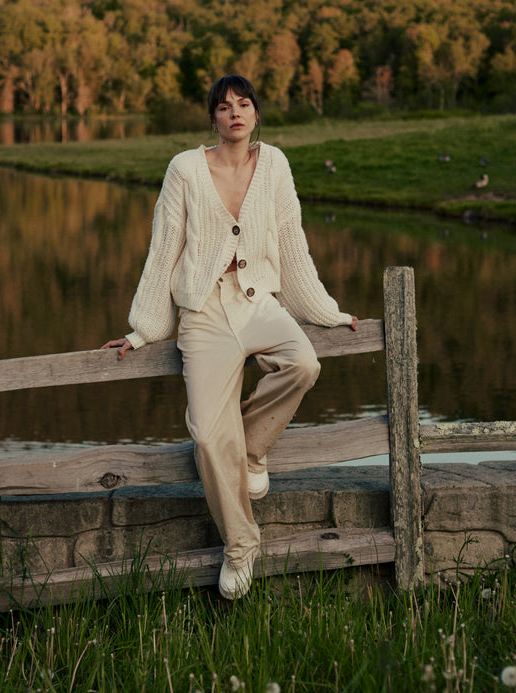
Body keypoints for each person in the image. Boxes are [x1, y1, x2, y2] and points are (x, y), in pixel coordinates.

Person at [102, 75, 358, 599]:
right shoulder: (185, 169)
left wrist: (326, 312)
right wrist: (144, 328)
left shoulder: (276, 165)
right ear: (213, 118)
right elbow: (164, 249)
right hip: (204, 309)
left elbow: (292, 245)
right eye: (224, 106)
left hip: (257, 299)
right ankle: (241, 545)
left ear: (256, 114)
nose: (235, 113)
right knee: (205, 431)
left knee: (304, 364)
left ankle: (252, 449)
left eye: (244, 104)